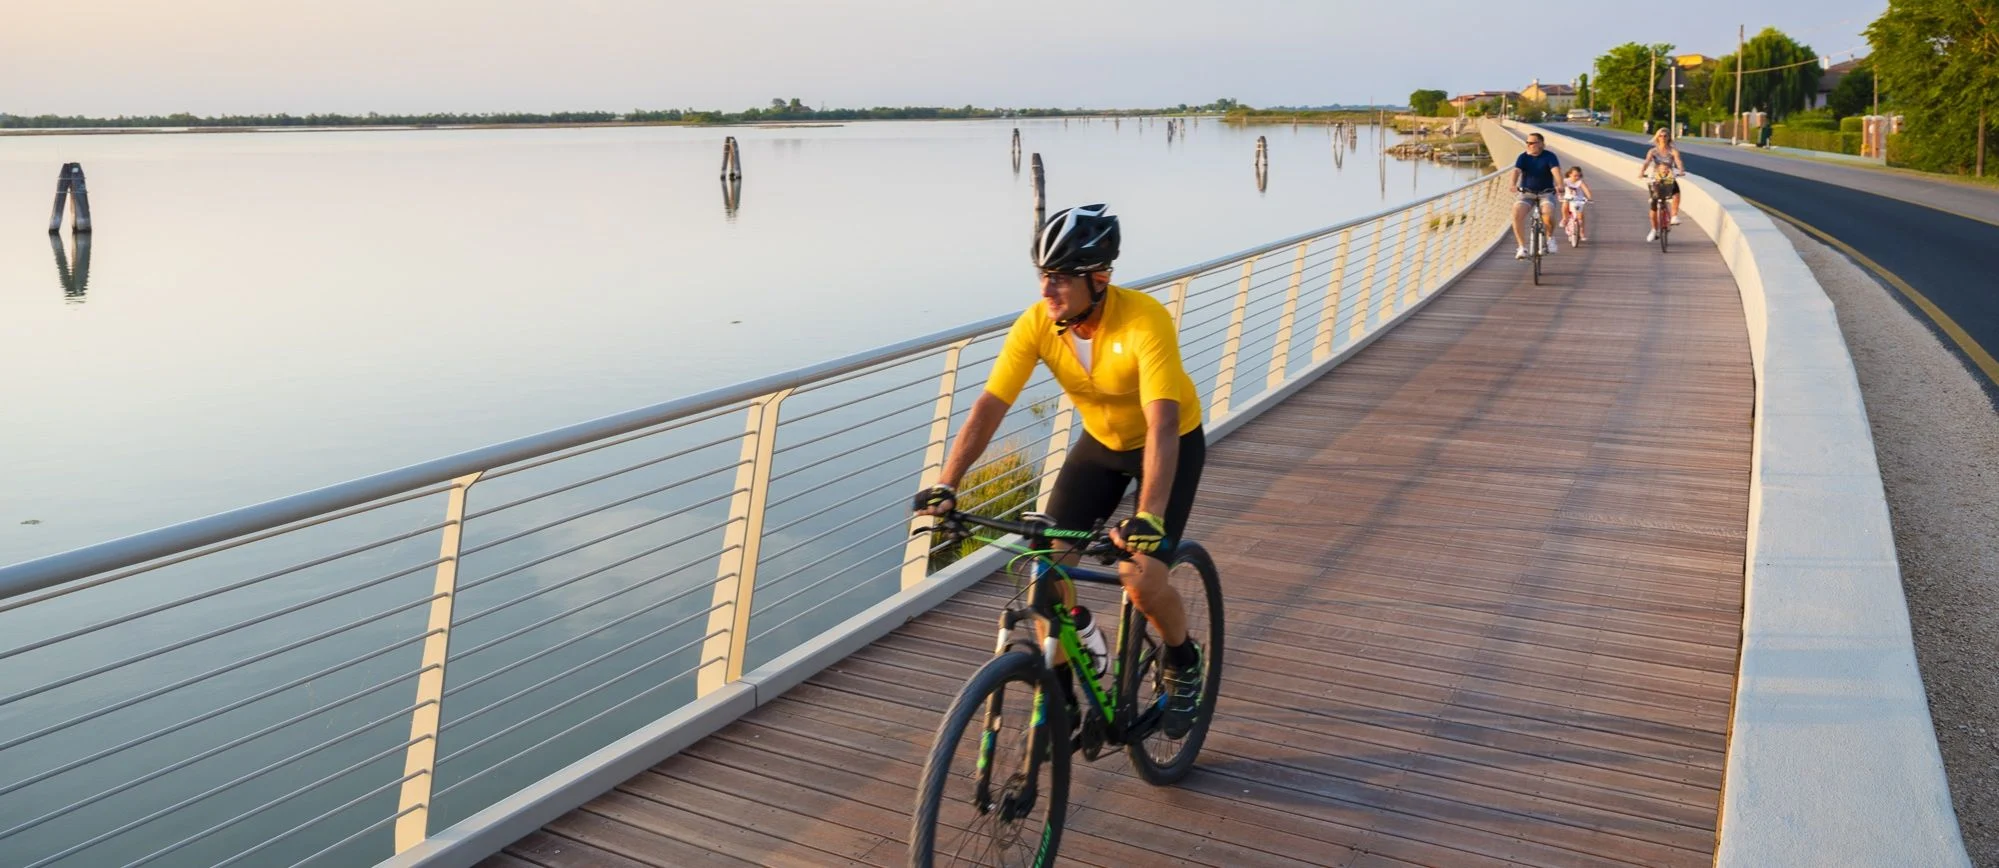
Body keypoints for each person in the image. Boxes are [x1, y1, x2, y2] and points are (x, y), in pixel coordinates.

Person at [912, 204, 1210, 738]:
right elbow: (990, 406)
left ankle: (1183, 661)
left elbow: (1163, 421)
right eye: (1043, 276)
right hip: (1101, 445)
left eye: (1059, 279)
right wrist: (947, 483)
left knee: (1140, 579)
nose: (1046, 290)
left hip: (1170, 444)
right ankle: (1070, 682)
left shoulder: (1144, 319)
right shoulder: (1038, 324)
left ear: (1098, 280)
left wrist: (1150, 517)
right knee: (1046, 572)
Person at [1509, 132, 1562, 260]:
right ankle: (1522, 248)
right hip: (1527, 193)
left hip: (1546, 192)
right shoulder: (1523, 157)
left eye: (1532, 143)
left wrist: (1560, 184)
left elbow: (1555, 170)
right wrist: (1512, 184)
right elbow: (1516, 171)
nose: (1529, 145)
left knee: (1548, 215)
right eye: (1527, 143)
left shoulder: (1549, 156)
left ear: (1541, 144)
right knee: (1516, 212)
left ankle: (1550, 239)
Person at [1639, 130, 1685, 242]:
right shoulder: (1653, 151)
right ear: (1657, 137)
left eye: (1665, 136)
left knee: (1676, 193)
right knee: (1654, 204)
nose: (1663, 138)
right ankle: (1654, 229)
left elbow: (1678, 161)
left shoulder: (1672, 151)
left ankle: (1674, 216)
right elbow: (1647, 162)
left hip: (1668, 177)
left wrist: (1681, 170)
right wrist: (1642, 171)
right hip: (1657, 178)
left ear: (1668, 137)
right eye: (1660, 135)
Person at [1559, 166, 1593, 246]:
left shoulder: (1580, 182)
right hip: (1568, 198)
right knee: (1565, 206)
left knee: (1580, 216)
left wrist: (1590, 198)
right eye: (1575, 175)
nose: (1577, 177)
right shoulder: (1566, 181)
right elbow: (1559, 187)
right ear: (1570, 174)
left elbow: (1586, 190)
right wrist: (1559, 193)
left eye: (1579, 175)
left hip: (1578, 199)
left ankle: (1581, 233)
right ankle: (1564, 218)